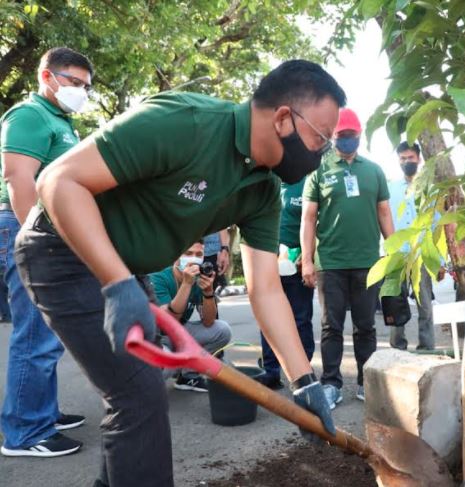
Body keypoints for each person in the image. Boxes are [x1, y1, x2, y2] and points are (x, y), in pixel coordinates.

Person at [14, 60, 346, 487]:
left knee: (138, 394)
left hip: (121, 265)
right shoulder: (184, 123)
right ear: (283, 118)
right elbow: (58, 181)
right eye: (321, 138)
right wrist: (117, 284)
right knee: (138, 394)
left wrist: (303, 383)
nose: (322, 153)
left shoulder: (262, 190)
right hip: (59, 249)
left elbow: (265, 289)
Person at [0, 47, 91, 458]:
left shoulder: (61, 121)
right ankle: (24, 432)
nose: (81, 92)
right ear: (47, 76)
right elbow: (20, 180)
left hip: (43, 232)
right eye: (74, 82)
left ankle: (42, 412)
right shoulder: (29, 115)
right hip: (23, 228)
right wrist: (31, 241)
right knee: (34, 332)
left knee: (48, 332)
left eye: (86, 86)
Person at [301, 107, 394, 408]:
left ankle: (367, 383)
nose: (346, 140)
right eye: (341, 136)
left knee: (366, 326)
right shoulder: (319, 170)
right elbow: (308, 218)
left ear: (360, 135)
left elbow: (384, 212)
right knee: (331, 327)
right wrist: (306, 259)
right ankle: (331, 384)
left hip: (368, 262)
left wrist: (393, 253)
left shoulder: (374, 171)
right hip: (331, 263)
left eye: (351, 136)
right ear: (333, 137)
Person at [149, 241, 232, 392]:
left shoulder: (199, 279)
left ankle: (188, 376)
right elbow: (167, 322)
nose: (194, 259)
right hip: (155, 337)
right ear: (176, 257)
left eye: (199, 255)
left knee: (222, 330)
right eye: (188, 254)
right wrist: (186, 284)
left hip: (179, 333)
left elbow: (209, 322)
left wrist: (208, 293)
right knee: (165, 367)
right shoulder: (158, 276)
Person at [258, 177, 315, 390]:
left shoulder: (307, 183)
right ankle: (271, 371)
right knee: (268, 318)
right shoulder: (266, 183)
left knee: (300, 319)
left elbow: (314, 221)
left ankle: (302, 372)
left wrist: (308, 256)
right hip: (267, 262)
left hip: (296, 263)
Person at [387, 141, 442, 350]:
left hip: (422, 256)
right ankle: (397, 348)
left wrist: (440, 261)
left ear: (418, 158)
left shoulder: (431, 190)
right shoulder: (390, 188)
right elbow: (384, 218)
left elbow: (437, 224)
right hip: (397, 256)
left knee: (425, 306)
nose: (406, 162)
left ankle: (427, 348)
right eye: (402, 159)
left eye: (410, 158)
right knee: (396, 304)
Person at [201, 229, 230, 293]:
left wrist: (224, 250)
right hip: (192, 249)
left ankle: (221, 284)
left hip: (215, 252)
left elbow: (223, 226)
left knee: (210, 290)